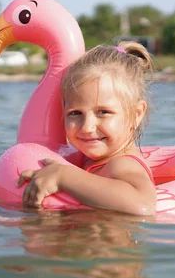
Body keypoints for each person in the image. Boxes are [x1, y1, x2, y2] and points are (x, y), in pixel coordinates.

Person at [17, 41, 157, 216]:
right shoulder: (90, 159)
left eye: (103, 112)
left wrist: (63, 176)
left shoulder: (121, 164)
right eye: (75, 113)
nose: (87, 127)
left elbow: (142, 204)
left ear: (136, 114)